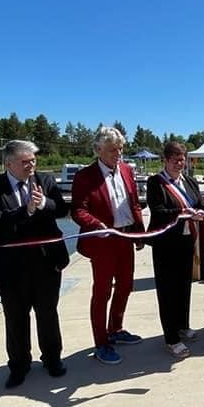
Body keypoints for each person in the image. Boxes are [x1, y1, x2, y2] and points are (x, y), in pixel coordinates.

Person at [0, 140, 70, 388]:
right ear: (9, 163)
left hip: (46, 262)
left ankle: (52, 359)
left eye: (33, 160)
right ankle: (19, 365)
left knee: (48, 313)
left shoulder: (46, 182)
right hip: (10, 268)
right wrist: (24, 212)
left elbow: (61, 209)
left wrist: (43, 205)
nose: (31, 165)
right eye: (25, 161)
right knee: (16, 317)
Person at [70, 126, 145, 366]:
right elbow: (78, 210)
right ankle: (101, 343)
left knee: (126, 285)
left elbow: (133, 203)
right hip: (102, 241)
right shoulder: (86, 176)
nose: (118, 153)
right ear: (98, 150)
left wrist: (139, 233)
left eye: (121, 148)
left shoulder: (126, 170)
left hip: (125, 238)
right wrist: (96, 224)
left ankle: (116, 328)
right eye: (113, 149)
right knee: (102, 292)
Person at [146, 141, 204, 359]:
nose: (180, 163)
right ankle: (171, 338)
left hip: (187, 240)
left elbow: (199, 203)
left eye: (183, 159)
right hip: (165, 244)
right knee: (167, 291)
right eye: (175, 160)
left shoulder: (189, 181)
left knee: (184, 287)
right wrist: (185, 213)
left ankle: (182, 325)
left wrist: (198, 211)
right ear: (166, 160)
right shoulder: (156, 183)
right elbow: (159, 210)